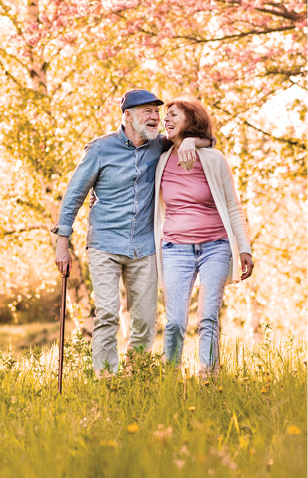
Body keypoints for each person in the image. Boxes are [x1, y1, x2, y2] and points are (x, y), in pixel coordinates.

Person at [52, 89, 214, 378]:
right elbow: (73, 196)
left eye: (157, 111)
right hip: (104, 244)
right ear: (128, 116)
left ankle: (137, 377)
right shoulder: (100, 148)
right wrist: (61, 244)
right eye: (148, 111)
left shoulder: (159, 146)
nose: (156, 117)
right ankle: (107, 382)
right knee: (107, 316)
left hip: (144, 247)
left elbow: (209, 140)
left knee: (145, 322)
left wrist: (190, 139)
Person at [154, 99, 254, 378]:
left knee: (208, 317)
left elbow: (233, 206)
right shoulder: (160, 160)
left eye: (173, 114)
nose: (166, 119)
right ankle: (171, 379)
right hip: (175, 248)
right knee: (174, 321)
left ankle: (209, 378)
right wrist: (192, 142)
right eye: (166, 116)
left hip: (216, 247)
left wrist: (243, 247)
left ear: (191, 120)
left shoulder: (214, 159)